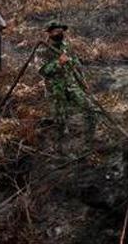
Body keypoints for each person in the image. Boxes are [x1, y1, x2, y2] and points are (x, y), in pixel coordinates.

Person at [38, 21, 96, 152]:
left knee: (90, 109)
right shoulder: (42, 49)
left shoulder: (66, 46)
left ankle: (88, 143)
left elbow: (76, 66)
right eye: (56, 31)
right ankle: (61, 150)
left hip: (72, 86)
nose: (59, 33)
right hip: (55, 90)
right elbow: (42, 71)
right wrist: (58, 63)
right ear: (49, 33)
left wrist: (83, 82)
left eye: (61, 31)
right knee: (60, 121)